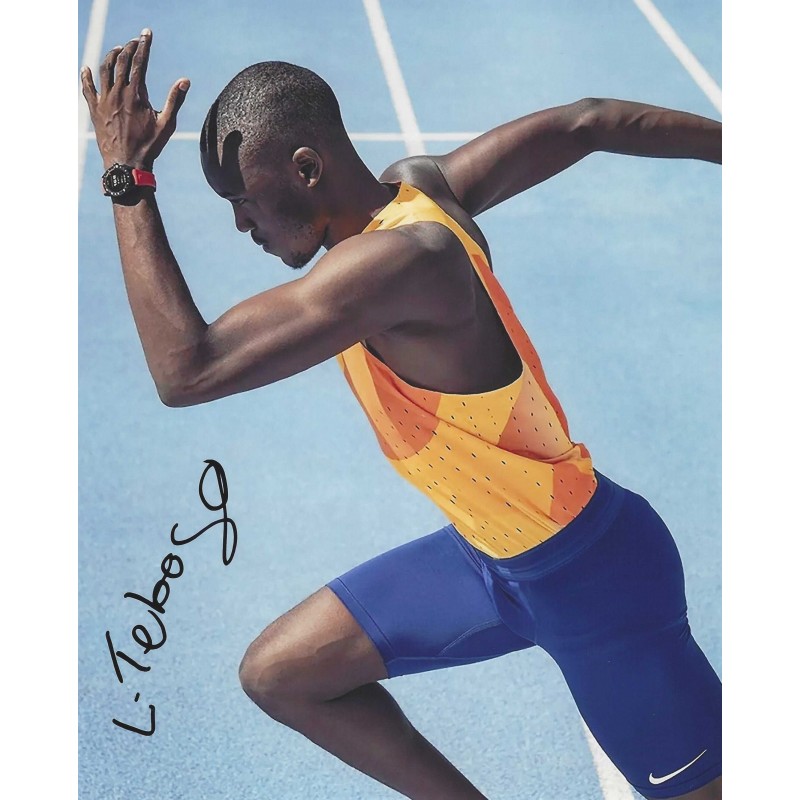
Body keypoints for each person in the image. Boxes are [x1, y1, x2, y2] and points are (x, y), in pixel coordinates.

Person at [81, 28, 722, 800]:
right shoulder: (421, 189)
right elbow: (587, 122)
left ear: (306, 169)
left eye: (243, 201)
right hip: (492, 563)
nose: (242, 225)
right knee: (282, 672)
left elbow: (187, 370)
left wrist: (129, 179)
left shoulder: (401, 263)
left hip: (591, 578)